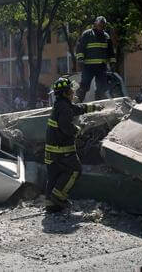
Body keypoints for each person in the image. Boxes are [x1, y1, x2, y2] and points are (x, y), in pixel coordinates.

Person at [44, 77, 103, 212]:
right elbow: (66, 128)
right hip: (62, 151)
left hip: (51, 151)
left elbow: (76, 109)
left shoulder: (60, 105)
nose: (73, 93)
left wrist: (93, 107)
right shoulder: (64, 108)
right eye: (71, 90)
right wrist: (79, 129)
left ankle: (51, 205)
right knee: (75, 170)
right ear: (65, 93)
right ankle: (58, 197)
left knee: (54, 176)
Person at [75, 16, 116, 102]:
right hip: (88, 66)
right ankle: (76, 102)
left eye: (103, 26)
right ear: (95, 24)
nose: (102, 27)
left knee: (102, 88)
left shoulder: (106, 36)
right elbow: (80, 48)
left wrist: (112, 63)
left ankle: (99, 105)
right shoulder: (87, 34)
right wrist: (80, 59)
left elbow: (111, 52)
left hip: (101, 67)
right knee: (84, 86)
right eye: (100, 25)